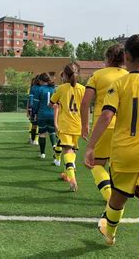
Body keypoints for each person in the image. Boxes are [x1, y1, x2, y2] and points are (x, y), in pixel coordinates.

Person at [84, 34, 139, 259]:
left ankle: (110, 232)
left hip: (126, 154)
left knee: (117, 198)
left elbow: (106, 116)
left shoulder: (120, 83)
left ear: (127, 56)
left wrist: (90, 146)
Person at [80, 44, 128, 202]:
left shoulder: (97, 75)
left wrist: (85, 125)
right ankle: (114, 198)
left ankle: (110, 199)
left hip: (104, 125)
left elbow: (85, 102)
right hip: (125, 128)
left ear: (108, 58)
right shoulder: (129, 75)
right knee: (115, 167)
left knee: (96, 165)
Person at [50, 63, 85, 191]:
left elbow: (52, 103)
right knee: (73, 152)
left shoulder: (61, 88)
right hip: (77, 125)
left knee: (67, 152)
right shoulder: (83, 89)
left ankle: (72, 180)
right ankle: (66, 174)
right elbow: (86, 108)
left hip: (65, 125)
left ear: (64, 75)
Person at [32, 73, 59, 161]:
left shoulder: (39, 89)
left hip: (42, 114)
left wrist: (34, 113)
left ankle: (43, 153)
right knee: (52, 132)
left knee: (42, 133)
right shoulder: (53, 89)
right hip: (52, 114)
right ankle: (55, 147)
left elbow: (35, 103)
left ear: (40, 81)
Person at [27, 75, 40, 145]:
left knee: (37, 125)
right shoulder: (32, 88)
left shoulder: (37, 88)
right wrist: (28, 110)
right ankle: (32, 138)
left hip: (38, 109)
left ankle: (35, 139)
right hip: (34, 109)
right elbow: (29, 100)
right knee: (33, 124)